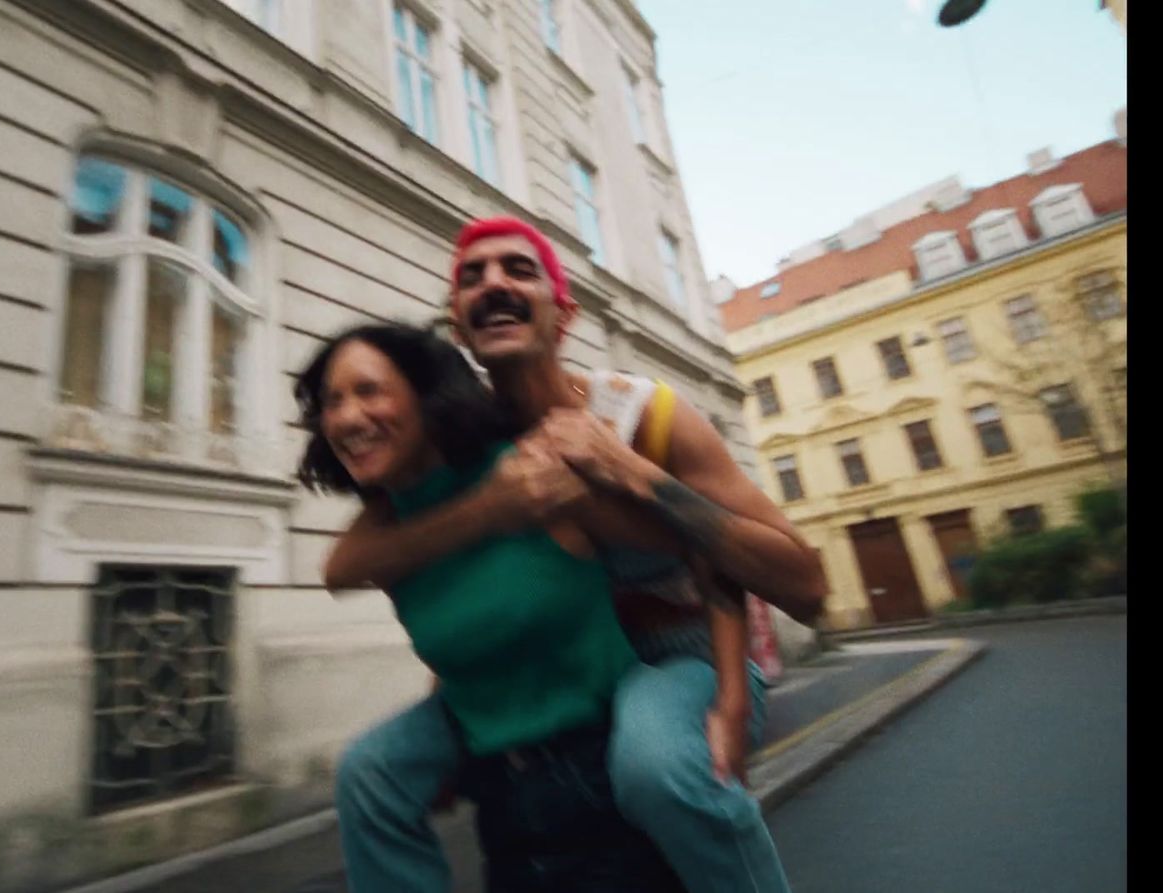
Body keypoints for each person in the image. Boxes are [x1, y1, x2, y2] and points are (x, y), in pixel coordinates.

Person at [327, 217, 828, 893]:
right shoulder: (470, 440)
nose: (494, 282)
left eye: (518, 269)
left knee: (656, 768)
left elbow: (803, 583)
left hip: (677, 657)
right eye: (472, 276)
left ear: (564, 314)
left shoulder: (645, 414)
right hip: (549, 669)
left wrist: (633, 473)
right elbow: (398, 567)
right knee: (370, 773)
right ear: (458, 324)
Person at [295, 322, 685, 892]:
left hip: (605, 783)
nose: (348, 417)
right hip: (503, 798)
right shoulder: (392, 521)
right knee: (366, 772)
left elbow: (682, 549)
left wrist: (719, 696)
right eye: (333, 401)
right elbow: (339, 572)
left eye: (369, 390)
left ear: (426, 395)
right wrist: (488, 509)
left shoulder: (532, 469)